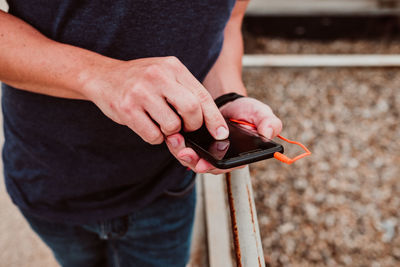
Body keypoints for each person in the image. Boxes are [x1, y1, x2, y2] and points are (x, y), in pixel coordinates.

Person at [0, 0, 282, 266]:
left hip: (162, 185)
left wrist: (225, 97)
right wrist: (99, 75)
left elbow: (229, 21)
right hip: (47, 174)